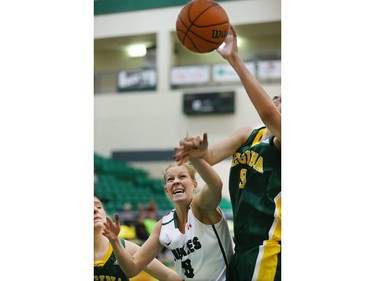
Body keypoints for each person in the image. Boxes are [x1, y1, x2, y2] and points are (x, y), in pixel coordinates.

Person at [175, 25, 281, 281]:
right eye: (276, 96)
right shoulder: (248, 134)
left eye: (283, 99)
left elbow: (267, 114)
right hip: (240, 247)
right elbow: (210, 157)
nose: (277, 98)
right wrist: (197, 152)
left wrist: (234, 58)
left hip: (268, 247)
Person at [102, 158, 234, 281]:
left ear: (194, 184)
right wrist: (114, 240)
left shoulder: (201, 207)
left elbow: (215, 185)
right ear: (167, 190)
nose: (176, 181)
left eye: (182, 176)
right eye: (170, 179)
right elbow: (132, 269)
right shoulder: (163, 226)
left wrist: (196, 158)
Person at [94, 196, 182, 281]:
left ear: (105, 214)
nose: (95, 210)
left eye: (98, 206)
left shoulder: (127, 247)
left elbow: (167, 275)